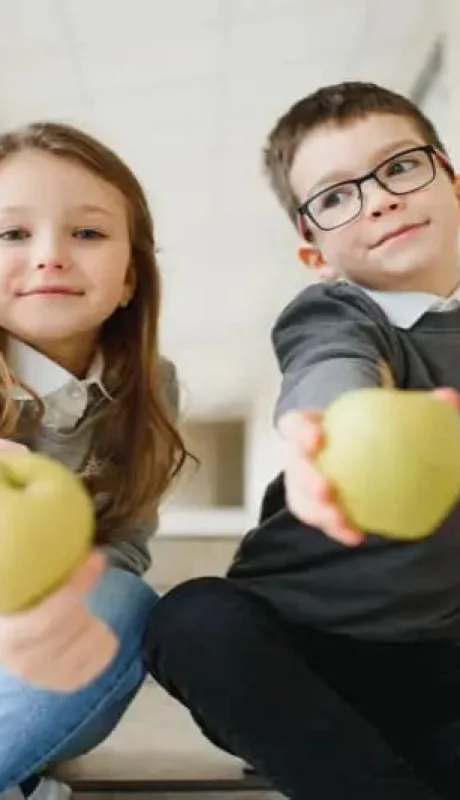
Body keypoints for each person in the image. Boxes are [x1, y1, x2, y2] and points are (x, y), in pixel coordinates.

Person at [144, 82, 460, 800]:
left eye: (400, 167)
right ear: (315, 254)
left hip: (436, 668)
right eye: (335, 196)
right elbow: (329, 366)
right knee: (190, 619)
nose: (378, 199)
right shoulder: (338, 312)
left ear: (454, 183)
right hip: (295, 649)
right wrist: (326, 434)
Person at [0, 121, 187, 799]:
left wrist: (53, 594)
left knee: (122, 599)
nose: (49, 256)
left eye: (87, 233)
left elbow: (129, 549)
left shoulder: (150, 388)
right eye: (12, 234)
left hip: (47, 668)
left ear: (131, 277)